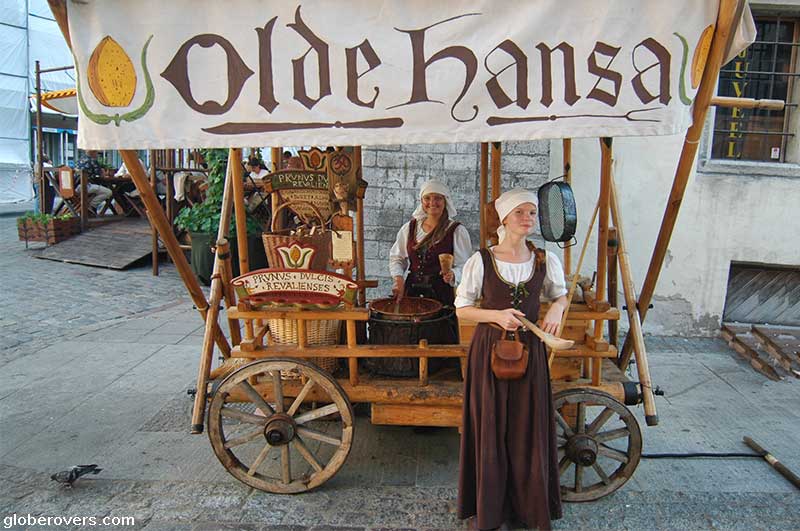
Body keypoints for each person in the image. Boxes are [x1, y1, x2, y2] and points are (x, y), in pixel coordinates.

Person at [455, 188, 567, 530]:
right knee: (490, 425)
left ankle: (527, 508)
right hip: (489, 351)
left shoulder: (545, 260)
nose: (527, 218)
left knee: (526, 426)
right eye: (520, 212)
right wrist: (495, 316)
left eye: (532, 213)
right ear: (504, 218)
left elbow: (559, 295)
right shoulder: (482, 260)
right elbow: (462, 310)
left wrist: (557, 309)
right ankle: (490, 510)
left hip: (529, 352)